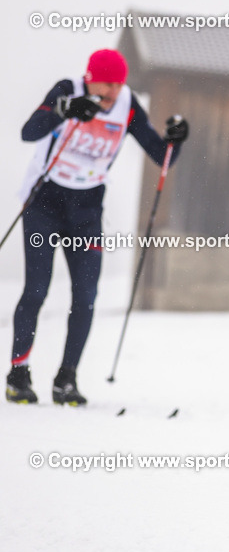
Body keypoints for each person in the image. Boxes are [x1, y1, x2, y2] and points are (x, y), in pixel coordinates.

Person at [5, 49, 188, 406]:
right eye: (107, 85)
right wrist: (64, 111)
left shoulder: (126, 105)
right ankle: (18, 373)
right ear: (90, 78)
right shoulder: (67, 89)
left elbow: (160, 154)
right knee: (37, 290)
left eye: (119, 86)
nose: (113, 94)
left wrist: (176, 140)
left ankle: (66, 379)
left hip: (85, 212)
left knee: (86, 297)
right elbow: (29, 132)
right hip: (44, 204)